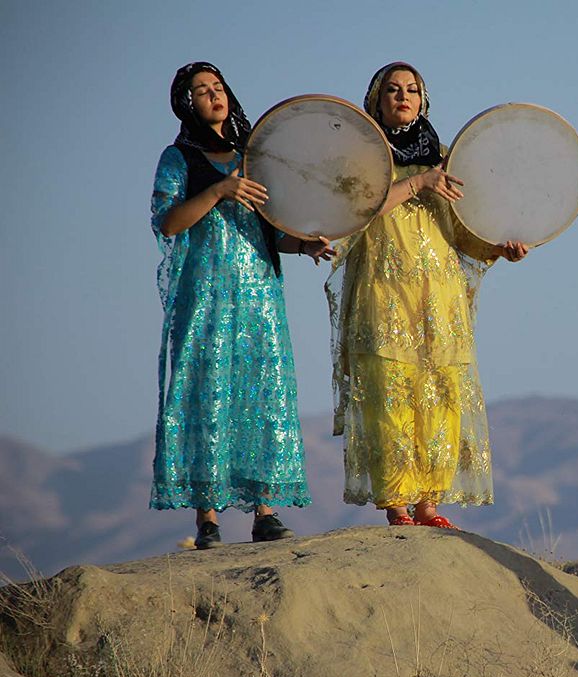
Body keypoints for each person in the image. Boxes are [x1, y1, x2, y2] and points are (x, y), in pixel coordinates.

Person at [326, 62, 528, 528]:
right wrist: (416, 182)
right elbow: (356, 213)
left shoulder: (444, 156)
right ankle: (397, 505)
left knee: (440, 392)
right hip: (383, 290)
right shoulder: (363, 157)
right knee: (389, 393)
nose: (403, 97)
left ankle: (429, 504)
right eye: (393, 90)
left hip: (440, 295)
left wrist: (500, 250)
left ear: (423, 99)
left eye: (412, 90)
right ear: (376, 99)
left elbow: (462, 230)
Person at [150, 62, 334, 549]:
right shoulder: (179, 159)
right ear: (187, 104)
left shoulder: (256, 156)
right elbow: (168, 223)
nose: (214, 95)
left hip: (260, 297)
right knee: (206, 396)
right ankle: (207, 519)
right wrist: (217, 189)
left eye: (218, 87)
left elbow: (273, 227)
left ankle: (265, 512)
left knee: (263, 394)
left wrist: (304, 245)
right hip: (206, 296)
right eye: (202, 91)